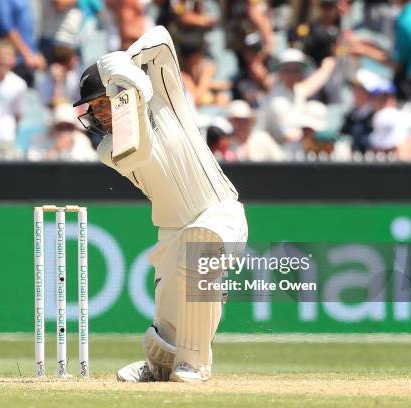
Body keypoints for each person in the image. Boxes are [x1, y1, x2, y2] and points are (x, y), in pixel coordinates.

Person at [74, 26, 247, 383]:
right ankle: (160, 366)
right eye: (96, 109)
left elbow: (163, 38)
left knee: (201, 242)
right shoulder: (109, 149)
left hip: (221, 211)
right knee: (166, 329)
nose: (101, 115)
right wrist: (126, 90)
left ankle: (196, 363)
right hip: (171, 231)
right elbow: (137, 147)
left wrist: (125, 63)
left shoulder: (168, 103)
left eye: (104, 104)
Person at [261, 48, 336, 151]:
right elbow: (290, 136)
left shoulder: (297, 91)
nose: (292, 74)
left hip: (296, 151)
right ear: (280, 72)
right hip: (278, 155)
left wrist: (326, 68)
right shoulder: (277, 101)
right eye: (288, 70)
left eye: (296, 70)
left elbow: (309, 85)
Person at [0, 0, 46, 87]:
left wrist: (36, 52)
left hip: (28, 61)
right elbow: (6, 28)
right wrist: (27, 55)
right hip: (11, 63)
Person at [28, 103, 97, 161]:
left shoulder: (82, 141)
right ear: (53, 128)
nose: (65, 131)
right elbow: (31, 166)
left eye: (69, 127)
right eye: (61, 127)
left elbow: (91, 164)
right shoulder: (39, 140)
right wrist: (54, 151)